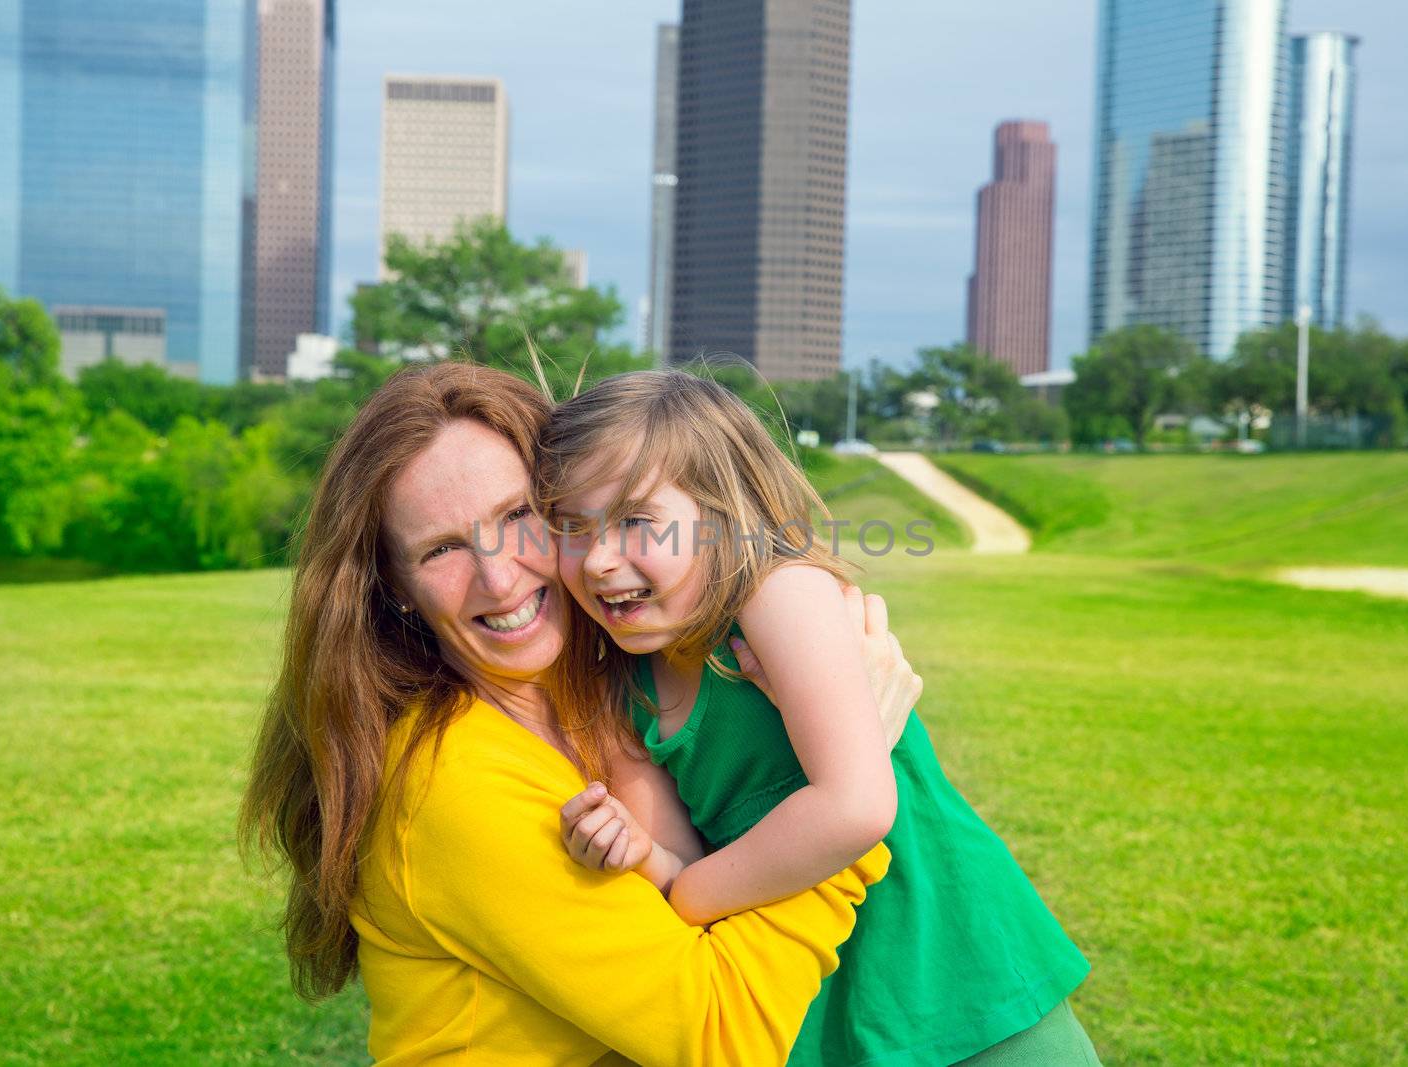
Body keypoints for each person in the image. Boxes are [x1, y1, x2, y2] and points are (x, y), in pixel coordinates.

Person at [239, 361, 921, 1065]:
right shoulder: (455, 782)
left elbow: (678, 901)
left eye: (519, 518)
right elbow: (721, 1033)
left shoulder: (597, 705)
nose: (499, 578)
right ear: (396, 586)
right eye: (441, 548)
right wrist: (849, 775)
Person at [536, 369, 1101, 1067]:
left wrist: (688, 893)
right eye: (570, 526)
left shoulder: (778, 593)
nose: (597, 559)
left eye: (634, 521)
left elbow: (854, 805)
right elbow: (683, 859)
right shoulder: (622, 686)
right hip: (812, 989)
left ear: (722, 515)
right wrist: (634, 851)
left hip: (949, 962)